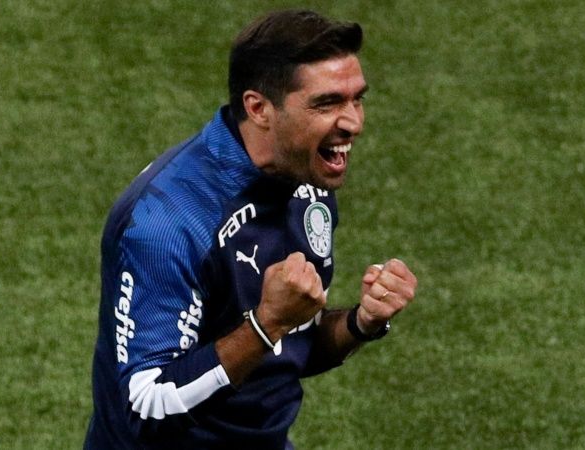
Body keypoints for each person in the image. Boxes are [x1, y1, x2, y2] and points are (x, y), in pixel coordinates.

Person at [84, 9, 418, 450]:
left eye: (357, 99)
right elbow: (145, 407)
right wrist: (267, 323)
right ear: (259, 108)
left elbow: (286, 350)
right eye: (327, 103)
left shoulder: (306, 177)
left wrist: (361, 322)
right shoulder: (167, 223)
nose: (354, 122)